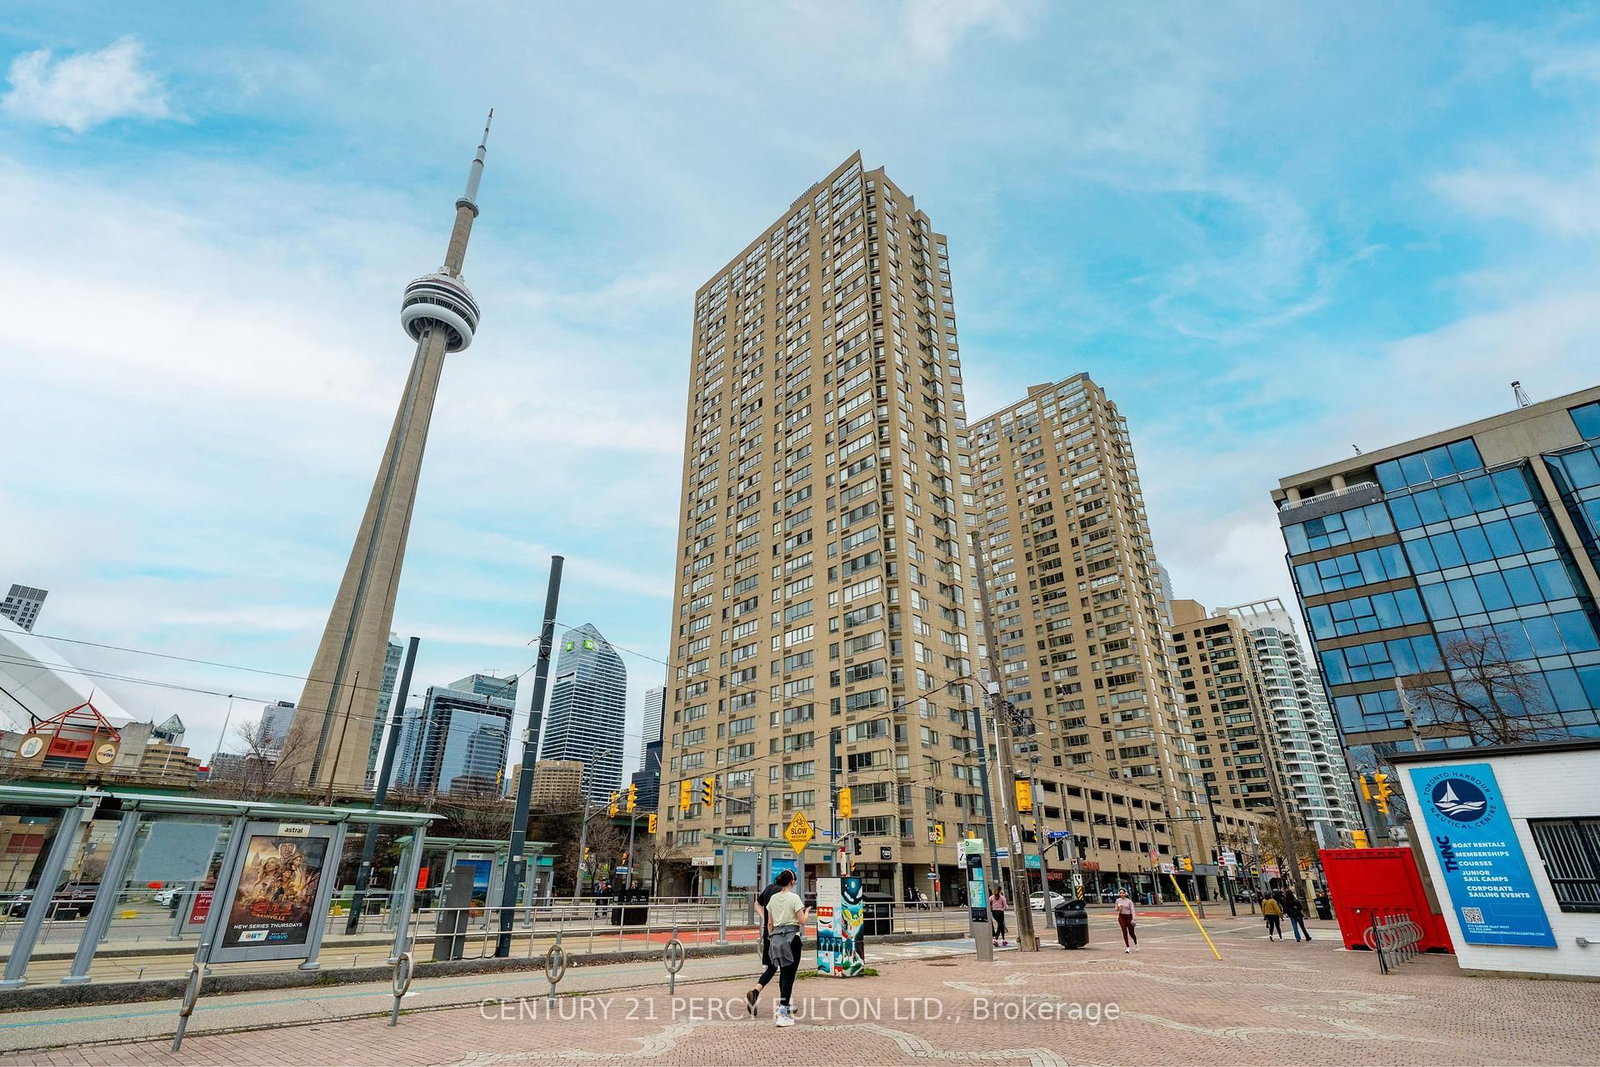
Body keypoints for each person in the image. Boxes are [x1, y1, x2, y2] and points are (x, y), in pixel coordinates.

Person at [762, 871, 807, 1027]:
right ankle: (782, 1013)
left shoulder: (773, 899)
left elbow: (769, 923)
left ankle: (784, 1006)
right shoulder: (794, 898)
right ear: (792, 882)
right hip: (791, 939)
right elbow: (802, 920)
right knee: (789, 975)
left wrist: (771, 938)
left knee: (783, 973)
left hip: (776, 939)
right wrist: (807, 913)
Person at [745, 870, 790, 1017]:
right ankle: (784, 1004)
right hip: (780, 933)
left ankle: (755, 992)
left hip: (768, 933)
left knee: (772, 967)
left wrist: (765, 917)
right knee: (785, 970)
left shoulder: (769, 888)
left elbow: (757, 903)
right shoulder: (783, 893)